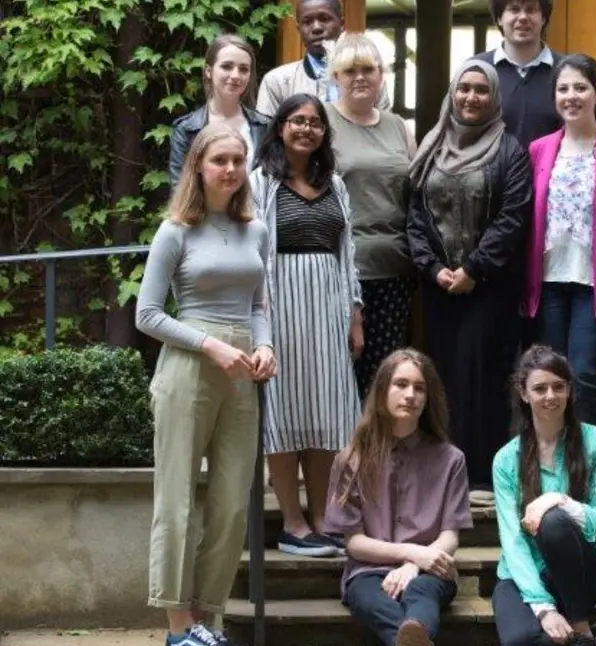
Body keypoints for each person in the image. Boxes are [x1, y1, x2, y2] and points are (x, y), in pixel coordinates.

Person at [136, 122, 276, 646]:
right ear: (199, 165)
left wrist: (264, 346)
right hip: (189, 367)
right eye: (220, 160)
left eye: (238, 161)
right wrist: (208, 344)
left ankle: (207, 618)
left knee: (233, 502)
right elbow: (147, 315)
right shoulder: (175, 230)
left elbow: (258, 306)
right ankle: (178, 628)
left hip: (242, 369)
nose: (231, 170)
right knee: (174, 498)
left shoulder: (255, 230)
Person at [406, 59, 531, 499]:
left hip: (489, 287)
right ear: (452, 94)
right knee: (441, 375)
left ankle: (481, 473)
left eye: (481, 90)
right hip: (439, 288)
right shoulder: (432, 144)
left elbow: (513, 217)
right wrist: (434, 268)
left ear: (493, 97)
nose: (471, 98)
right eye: (464, 89)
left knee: (482, 375)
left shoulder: (510, 151)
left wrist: (474, 270)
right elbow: (415, 214)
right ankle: (443, 469)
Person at [248, 93, 361, 557]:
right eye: (297, 120)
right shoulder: (260, 183)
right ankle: (292, 523)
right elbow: (253, 252)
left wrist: (355, 313)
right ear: (280, 128)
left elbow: (348, 253)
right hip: (279, 308)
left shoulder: (335, 183)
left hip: (330, 307)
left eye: (315, 123)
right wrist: (258, 317)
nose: (306, 129)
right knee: (282, 413)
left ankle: (321, 517)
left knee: (327, 415)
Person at [324, 349, 473, 646]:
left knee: (421, 592)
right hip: (368, 571)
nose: (410, 395)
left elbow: (450, 536)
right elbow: (354, 542)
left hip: (431, 570)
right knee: (368, 597)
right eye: (401, 384)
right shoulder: (350, 459)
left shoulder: (451, 459)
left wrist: (416, 563)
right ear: (382, 391)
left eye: (419, 388)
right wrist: (411, 553)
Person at [523, 54, 596, 434]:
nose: (571, 96)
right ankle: (560, 461)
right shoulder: (539, 149)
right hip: (550, 279)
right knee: (554, 380)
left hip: (595, 282)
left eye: (581, 87)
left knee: (586, 374)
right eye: (563, 88)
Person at [490, 345, 596, 646]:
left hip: (583, 571)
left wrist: (558, 500)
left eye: (558, 387)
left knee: (554, 522)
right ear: (524, 393)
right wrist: (544, 608)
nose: (550, 396)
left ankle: (579, 621)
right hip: (526, 571)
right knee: (520, 641)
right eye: (540, 388)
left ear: (570, 390)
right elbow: (512, 539)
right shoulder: (506, 459)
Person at [325, 33, 419, 398]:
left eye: (368, 69)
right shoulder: (323, 122)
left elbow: (414, 195)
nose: (359, 77)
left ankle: (378, 455)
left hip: (395, 269)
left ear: (382, 75)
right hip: (344, 269)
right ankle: (344, 456)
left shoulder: (398, 126)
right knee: (343, 377)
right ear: (336, 76)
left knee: (384, 381)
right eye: (350, 70)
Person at [256, 0, 390, 116]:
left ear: (342, 24)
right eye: (307, 22)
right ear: (299, 29)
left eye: (325, 19)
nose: (317, 28)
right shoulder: (277, 81)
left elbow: (385, 135)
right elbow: (266, 140)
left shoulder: (370, 81)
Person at [169, 34, 271, 185]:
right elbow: (178, 191)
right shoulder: (186, 129)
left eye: (243, 69)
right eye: (227, 66)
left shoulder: (265, 127)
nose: (236, 75)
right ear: (208, 71)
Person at [474, 0, 564, 150]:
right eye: (514, 9)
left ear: (543, 18)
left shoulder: (569, 71)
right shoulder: (476, 70)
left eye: (531, 10)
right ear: (499, 19)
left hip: (552, 172)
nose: (523, 17)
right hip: (493, 172)